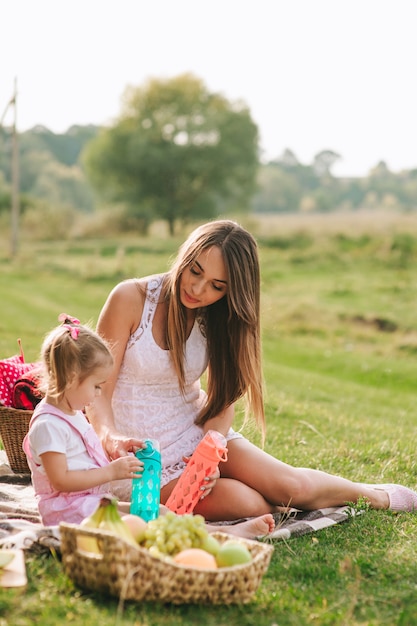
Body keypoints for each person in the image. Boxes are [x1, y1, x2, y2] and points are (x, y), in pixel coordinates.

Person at [86, 219, 417, 523]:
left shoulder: (218, 316)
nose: (198, 290)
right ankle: (313, 496)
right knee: (249, 503)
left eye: (217, 285)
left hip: (196, 434)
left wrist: (210, 453)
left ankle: (376, 495)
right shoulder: (130, 298)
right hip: (139, 458)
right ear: (184, 255)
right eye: (195, 271)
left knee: (292, 488)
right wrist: (109, 437)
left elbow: (223, 397)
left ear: (231, 291)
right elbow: (97, 390)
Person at [23, 313, 275, 538]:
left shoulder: (70, 413)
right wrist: (111, 472)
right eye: (96, 385)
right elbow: (61, 481)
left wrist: (117, 448)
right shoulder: (48, 425)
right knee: (144, 523)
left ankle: (221, 533)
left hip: (89, 504)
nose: (99, 394)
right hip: (68, 514)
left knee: (156, 513)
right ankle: (220, 535)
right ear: (70, 380)